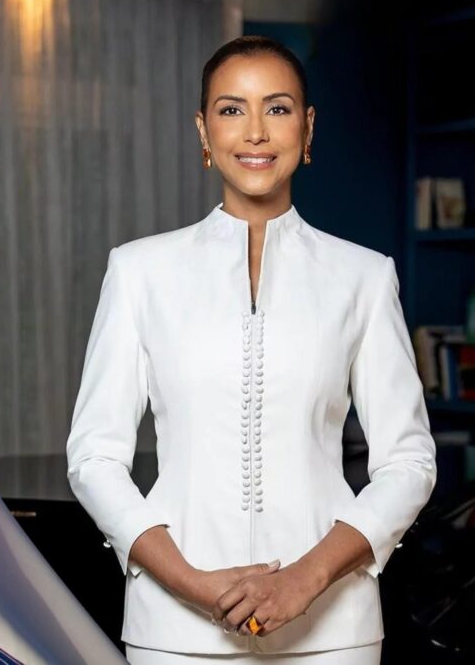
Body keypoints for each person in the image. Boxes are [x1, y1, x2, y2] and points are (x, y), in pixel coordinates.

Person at [65, 36, 438, 664]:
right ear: (204, 131)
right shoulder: (138, 272)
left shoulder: (364, 277)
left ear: (307, 127)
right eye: (232, 109)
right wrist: (193, 584)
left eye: (278, 108)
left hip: (334, 629)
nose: (256, 132)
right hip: (174, 630)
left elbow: (409, 462)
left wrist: (304, 580)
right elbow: (94, 457)